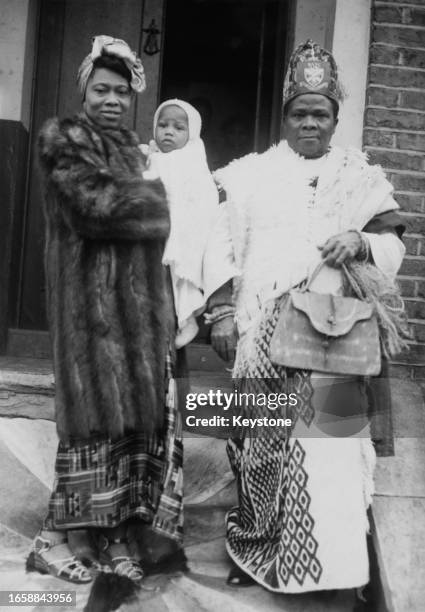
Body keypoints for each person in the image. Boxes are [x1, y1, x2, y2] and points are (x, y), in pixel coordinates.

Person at [203, 40, 406, 595]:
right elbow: (216, 245)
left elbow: (391, 245)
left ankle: (332, 568)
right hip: (260, 334)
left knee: (331, 442)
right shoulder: (249, 175)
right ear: (285, 117)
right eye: (300, 113)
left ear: (336, 118)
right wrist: (221, 311)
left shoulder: (360, 176)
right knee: (258, 440)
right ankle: (253, 550)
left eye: (320, 113)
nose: (309, 123)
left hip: (331, 334)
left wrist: (360, 241)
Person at [27, 35, 184, 585]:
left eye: (121, 90)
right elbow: (95, 208)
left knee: (127, 433)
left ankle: (114, 536)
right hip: (88, 307)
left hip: (134, 313)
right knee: (89, 429)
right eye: (101, 89)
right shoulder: (64, 137)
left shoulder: (133, 149)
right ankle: (58, 540)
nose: (112, 99)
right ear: (84, 90)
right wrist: (164, 201)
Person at [141, 99, 218, 348]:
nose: (169, 132)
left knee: (176, 289)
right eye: (162, 125)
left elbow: (204, 200)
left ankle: (187, 321)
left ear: (191, 133)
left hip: (180, 238)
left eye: (178, 127)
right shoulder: (150, 157)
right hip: (153, 239)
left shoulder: (193, 160)